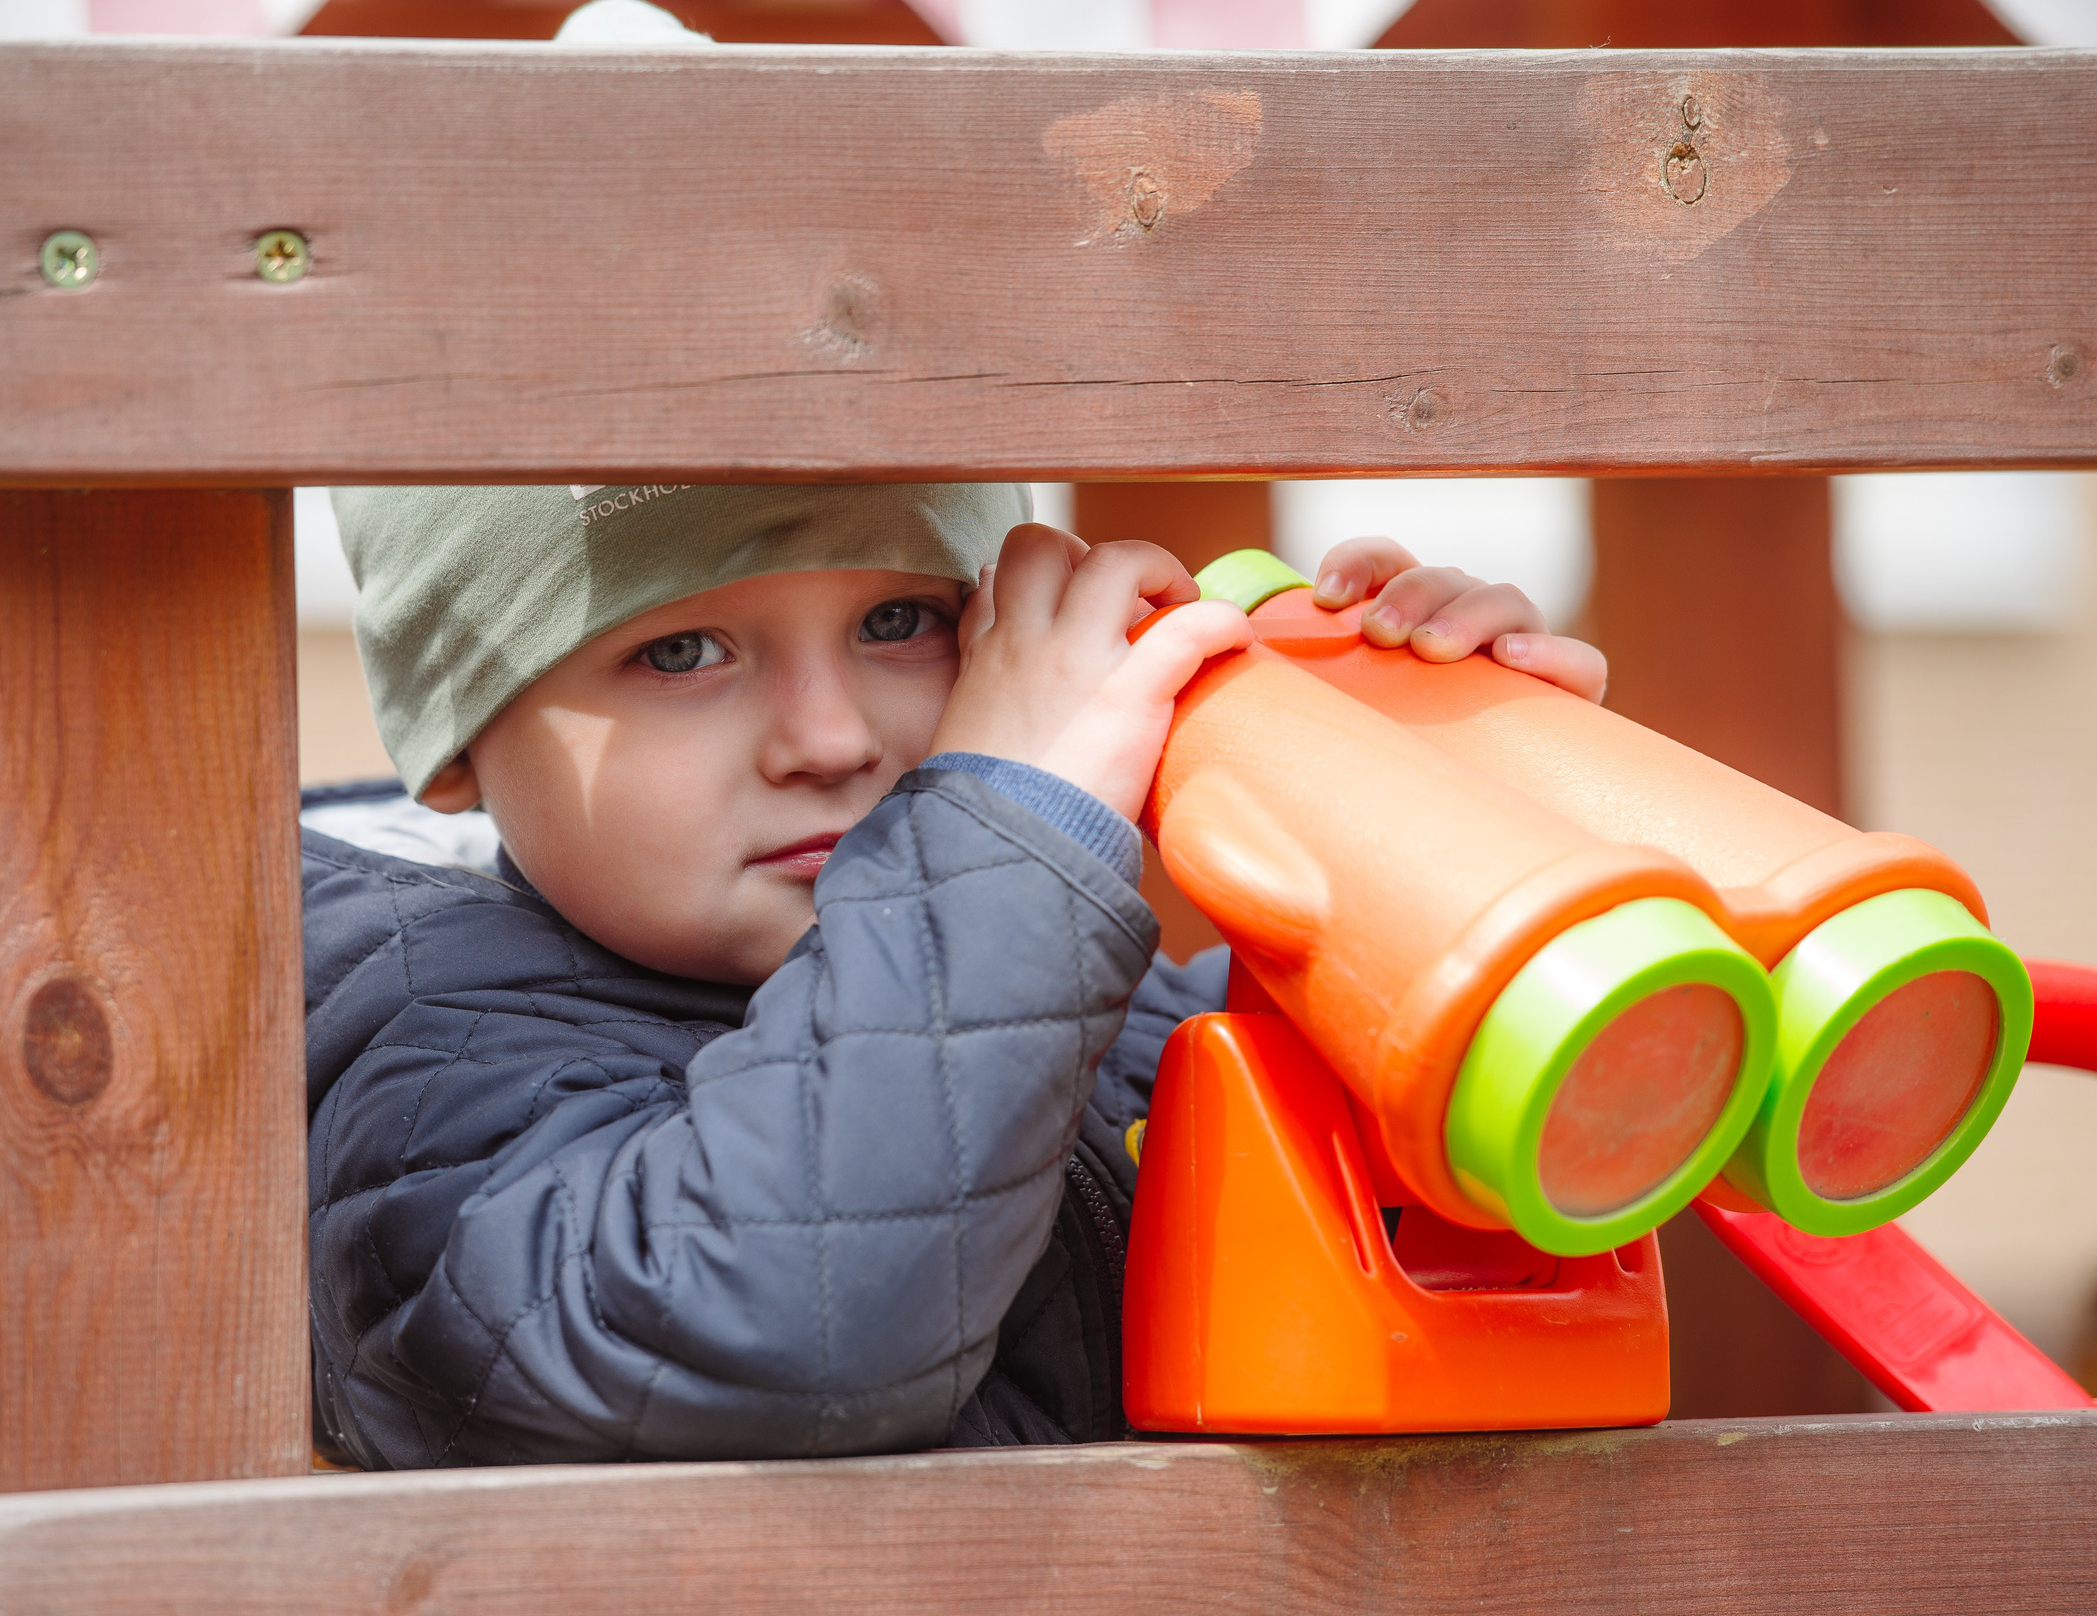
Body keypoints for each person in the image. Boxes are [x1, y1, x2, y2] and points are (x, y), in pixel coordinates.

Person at [302, 479, 1603, 1469]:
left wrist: (1454, 829)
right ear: (459, 737)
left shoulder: (1113, 1017)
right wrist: (1016, 822)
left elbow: (1501, 1220)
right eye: (682, 652)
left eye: (897, 622)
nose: (830, 736)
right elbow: (789, 1315)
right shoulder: (425, 1064)